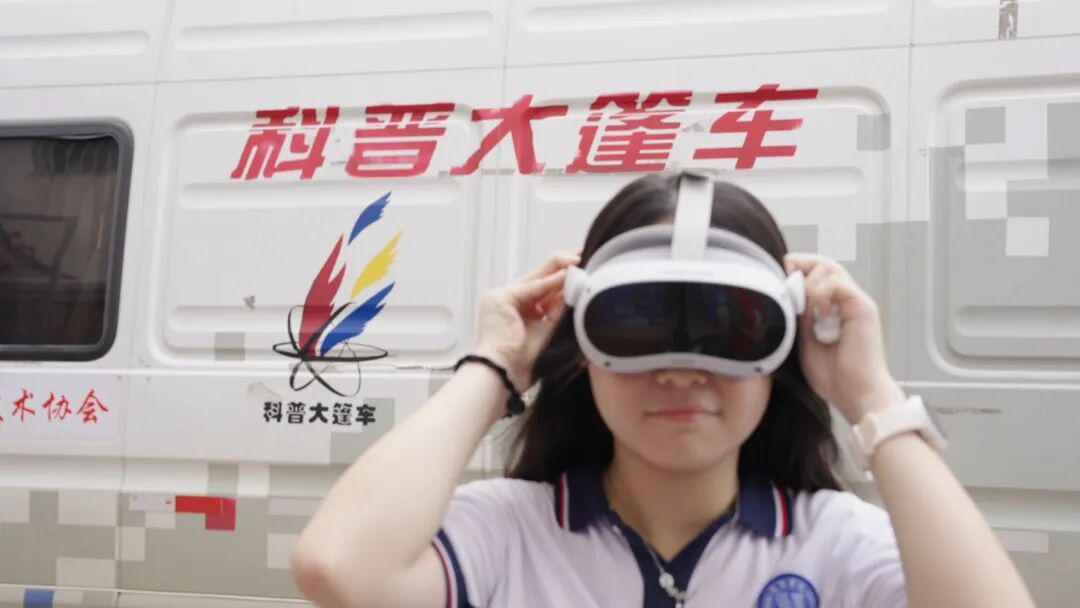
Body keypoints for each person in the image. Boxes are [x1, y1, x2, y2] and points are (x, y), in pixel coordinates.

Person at [291, 173, 1036, 608]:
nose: (681, 371)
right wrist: (495, 364)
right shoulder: (509, 533)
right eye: (637, 324)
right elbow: (340, 568)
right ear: (582, 341)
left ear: (780, 349)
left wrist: (870, 397)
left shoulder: (838, 546)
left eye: (730, 327)